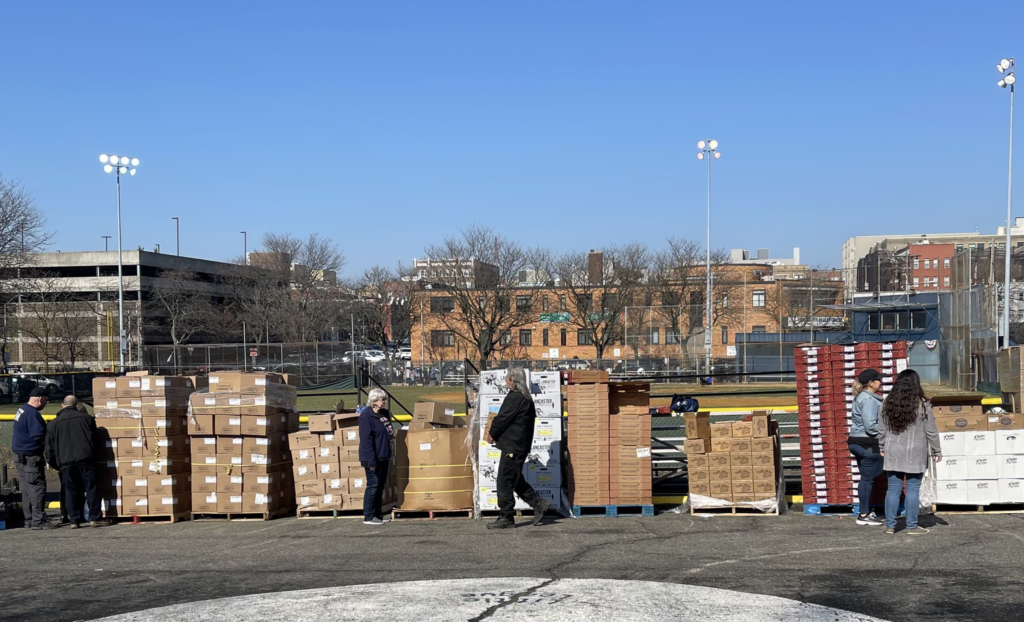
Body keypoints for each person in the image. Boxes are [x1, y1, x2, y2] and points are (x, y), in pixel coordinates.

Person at [878, 369, 942, 535]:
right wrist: (937, 449)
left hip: (893, 449)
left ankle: (890, 525)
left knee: (893, 489)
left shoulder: (887, 402)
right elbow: (931, 430)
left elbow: (881, 428)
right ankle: (912, 526)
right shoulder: (923, 404)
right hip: (916, 451)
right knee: (913, 489)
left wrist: (882, 446)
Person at [486, 367, 550, 530]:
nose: (506, 381)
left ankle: (506, 516)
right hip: (519, 445)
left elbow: (503, 418)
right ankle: (538, 503)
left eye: (507, 378)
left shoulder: (515, 397)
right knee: (515, 479)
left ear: (513, 380)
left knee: (504, 481)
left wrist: (492, 433)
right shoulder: (526, 397)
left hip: (513, 446)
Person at [45, 396, 106, 528]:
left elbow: (49, 449)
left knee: (70, 490)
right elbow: (95, 440)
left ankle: (74, 520)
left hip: (65, 462)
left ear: (62, 406)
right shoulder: (87, 419)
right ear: (76, 404)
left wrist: (56, 464)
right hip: (86, 459)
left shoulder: (53, 424)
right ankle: (94, 518)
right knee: (91, 489)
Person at [12, 387, 54, 529]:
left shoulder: (22, 409)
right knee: (37, 487)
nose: (46, 404)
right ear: (40, 398)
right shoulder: (32, 414)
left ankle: (29, 519)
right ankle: (39, 520)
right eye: (46, 401)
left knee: (27, 488)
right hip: (30, 456)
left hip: (19, 455)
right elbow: (38, 436)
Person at [848, 368, 885, 527]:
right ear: (871, 383)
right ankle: (863, 514)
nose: (881, 382)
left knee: (866, 478)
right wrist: (887, 433)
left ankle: (864, 512)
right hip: (868, 443)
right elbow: (870, 426)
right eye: (878, 380)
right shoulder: (869, 400)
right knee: (868, 479)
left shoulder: (861, 397)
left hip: (856, 441)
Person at [358, 388, 395, 525]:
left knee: (380, 486)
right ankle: (368, 516)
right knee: (373, 486)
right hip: (372, 458)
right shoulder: (366, 416)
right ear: (373, 401)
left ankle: (378, 515)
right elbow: (366, 441)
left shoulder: (384, 414)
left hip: (384, 456)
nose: (384, 402)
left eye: (384, 399)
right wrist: (371, 461)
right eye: (381, 399)